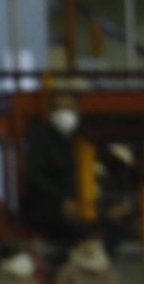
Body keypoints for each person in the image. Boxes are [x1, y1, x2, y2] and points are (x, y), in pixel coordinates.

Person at [21, 90, 133, 249]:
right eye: (59, 108)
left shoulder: (86, 136)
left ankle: (95, 257)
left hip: (86, 203)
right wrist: (62, 202)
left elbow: (116, 165)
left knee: (115, 222)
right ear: (51, 111)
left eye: (69, 108)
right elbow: (36, 177)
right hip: (51, 207)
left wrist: (124, 199)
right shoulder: (40, 138)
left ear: (78, 110)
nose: (64, 114)